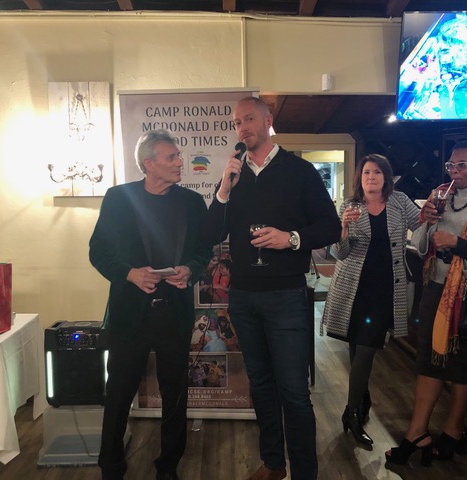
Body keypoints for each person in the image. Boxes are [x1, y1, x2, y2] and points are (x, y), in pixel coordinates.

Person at [203, 96, 341, 480]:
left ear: (268, 121)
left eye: (249, 119)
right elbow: (210, 234)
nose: (242, 127)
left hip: (286, 296)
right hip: (243, 297)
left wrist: (291, 239)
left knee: (294, 391)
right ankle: (274, 464)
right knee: (261, 386)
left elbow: (330, 227)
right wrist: (223, 190)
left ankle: (305, 473)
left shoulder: (299, 171)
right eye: (237, 122)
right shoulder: (234, 176)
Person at [89, 129, 211, 480]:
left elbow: (203, 251)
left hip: (174, 313)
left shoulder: (192, 202)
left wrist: (190, 269)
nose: (179, 162)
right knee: (118, 394)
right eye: (171, 157)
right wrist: (130, 274)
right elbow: (98, 251)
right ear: (149, 163)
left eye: (178, 156)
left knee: (175, 395)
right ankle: (111, 466)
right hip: (130, 315)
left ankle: (168, 467)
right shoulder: (118, 198)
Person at [385, 139, 467, 467]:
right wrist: (426, 221)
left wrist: (459, 244)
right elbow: (421, 244)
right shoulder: (441, 194)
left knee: (463, 365)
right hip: (436, 287)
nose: (454, 171)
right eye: (451, 165)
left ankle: (454, 430)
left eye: (462, 165)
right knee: (428, 359)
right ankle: (417, 432)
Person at [321, 154, 420, 446]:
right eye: (366, 172)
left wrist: (435, 218)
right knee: (356, 350)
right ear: (360, 178)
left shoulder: (400, 201)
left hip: (385, 290)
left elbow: (423, 224)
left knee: (365, 351)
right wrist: (341, 229)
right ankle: (361, 403)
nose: (371, 177)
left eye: (377, 172)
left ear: (386, 177)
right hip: (353, 289)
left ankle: (352, 412)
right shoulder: (350, 207)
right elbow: (340, 253)